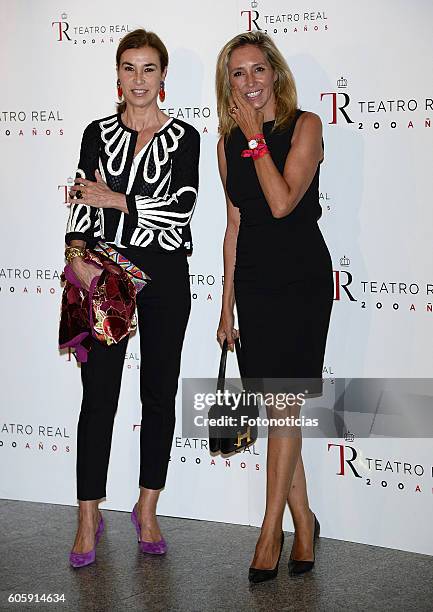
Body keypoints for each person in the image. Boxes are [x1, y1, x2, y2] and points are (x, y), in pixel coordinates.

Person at [65, 28, 200, 568]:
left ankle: (147, 507)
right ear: (117, 75)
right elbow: (80, 200)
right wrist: (78, 255)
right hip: (101, 274)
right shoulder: (95, 133)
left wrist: (115, 201)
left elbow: (179, 215)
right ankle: (87, 515)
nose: (138, 79)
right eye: (128, 68)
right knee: (98, 396)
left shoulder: (185, 138)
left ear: (163, 75)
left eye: (148, 69)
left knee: (159, 393)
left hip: (166, 276)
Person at [215, 31, 333, 583]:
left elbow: (284, 202)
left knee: (285, 407)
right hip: (256, 286)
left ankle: (271, 532)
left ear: (275, 74)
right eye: (238, 74)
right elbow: (235, 226)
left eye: (258, 70)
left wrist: (258, 139)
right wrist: (225, 307)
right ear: (228, 84)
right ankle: (304, 520)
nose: (249, 82)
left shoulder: (305, 126)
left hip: (300, 281)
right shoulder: (225, 143)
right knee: (278, 412)